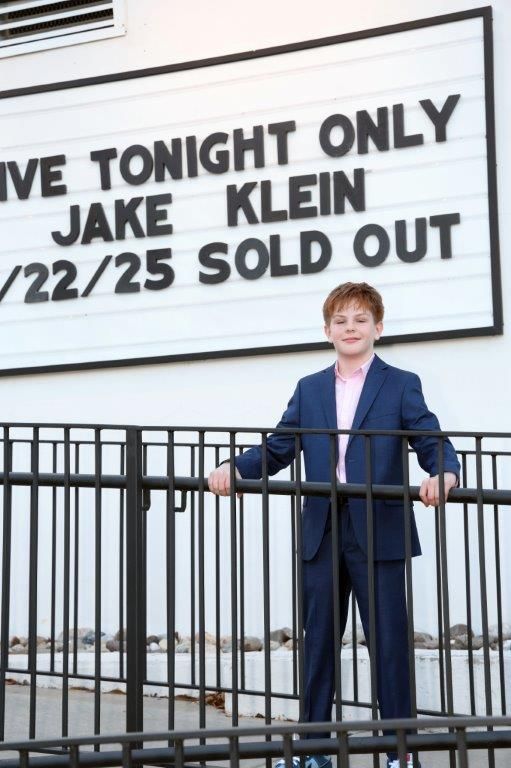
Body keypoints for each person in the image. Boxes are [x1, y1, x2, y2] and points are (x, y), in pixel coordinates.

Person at [208, 282, 460, 768]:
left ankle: (398, 752)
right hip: (322, 530)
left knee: (388, 642)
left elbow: (430, 437)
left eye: (361, 320)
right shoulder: (310, 388)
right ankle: (314, 751)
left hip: (379, 529)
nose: (351, 328)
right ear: (327, 331)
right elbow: (279, 447)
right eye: (341, 321)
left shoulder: (401, 383)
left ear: (378, 328)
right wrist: (235, 468)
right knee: (318, 641)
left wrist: (443, 471)